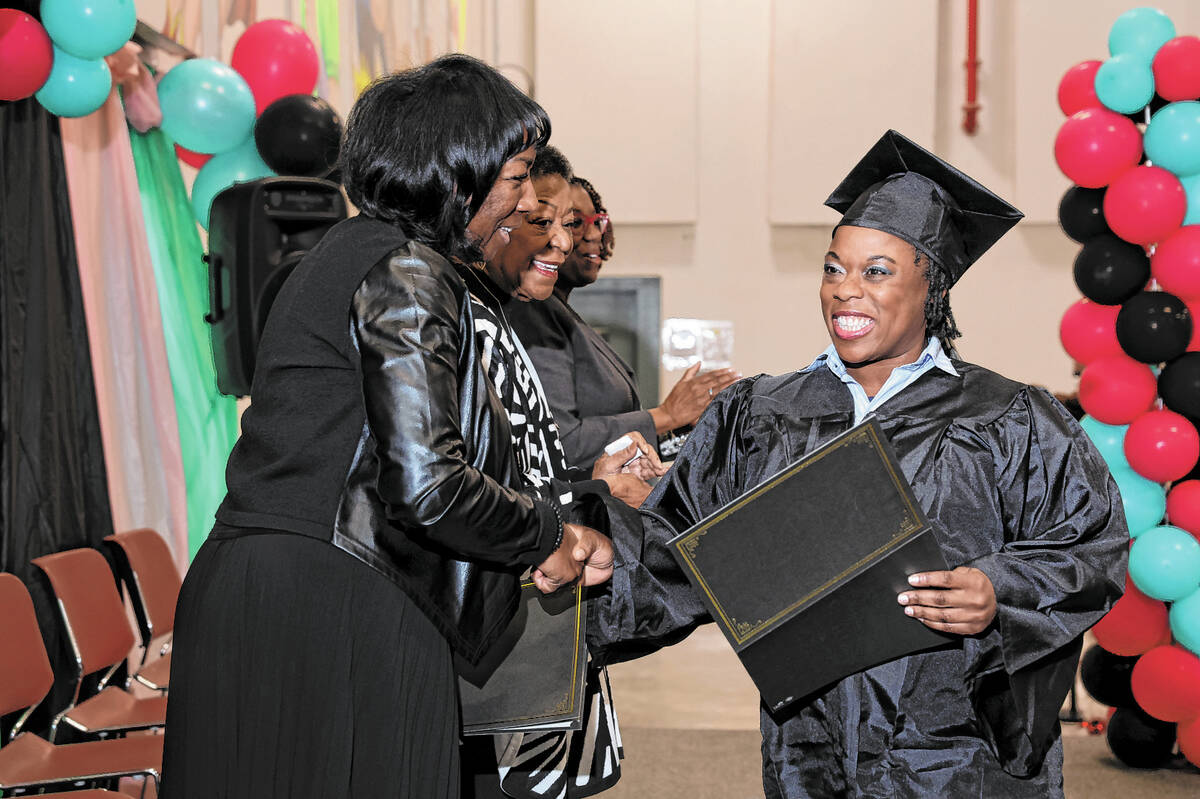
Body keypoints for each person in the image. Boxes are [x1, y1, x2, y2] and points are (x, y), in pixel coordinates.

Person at [590, 130, 1128, 797]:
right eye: (833, 267)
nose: (846, 290)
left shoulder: (1010, 417)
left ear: (933, 284)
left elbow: (1091, 547)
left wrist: (999, 588)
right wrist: (589, 547)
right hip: (811, 751)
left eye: (877, 271)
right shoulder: (759, 414)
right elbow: (674, 552)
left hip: (956, 756)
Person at [161, 55, 613, 799]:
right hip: (335, 598)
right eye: (518, 175)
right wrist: (546, 533)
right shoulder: (408, 269)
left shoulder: (342, 253)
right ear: (453, 172)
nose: (529, 201)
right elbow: (427, 484)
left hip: (265, 585)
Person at [460, 145, 664, 799]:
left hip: (543, 597)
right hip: (499, 621)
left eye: (568, 222)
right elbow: (460, 490)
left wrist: (592, 475)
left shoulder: (507, 316)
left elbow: (523, 463)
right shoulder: (470, 324)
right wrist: (592, 488)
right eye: (539, 216)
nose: (559, 238)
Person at [508, 175, 740, 470]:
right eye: (576, 222)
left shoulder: (563, 316)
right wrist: (665, 415)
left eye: (597, 221)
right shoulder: (531, 312)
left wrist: (684, 430)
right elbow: (561, 441)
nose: (592, 235)